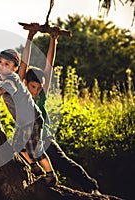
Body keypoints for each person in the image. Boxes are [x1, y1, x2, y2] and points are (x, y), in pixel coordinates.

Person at [18, 23, 101, 195]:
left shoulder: (40, 95)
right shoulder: (21, 93)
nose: (36, 92)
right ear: (25, 84)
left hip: (44, 136)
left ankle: (91, 187)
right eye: (33, 87)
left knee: (63, 163)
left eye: (39, 88)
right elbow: (24, 65)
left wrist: (53, 40)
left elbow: (49, 67)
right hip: (26, 138)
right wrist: (30, 37)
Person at [0, 48, 57, 187]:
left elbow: (0, 91)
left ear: (14, 68)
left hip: (32, 120)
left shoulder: (12, 80)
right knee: (18, 146)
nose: (1, 65)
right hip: (22, 122)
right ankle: (35, 167)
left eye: (6, 64)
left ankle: (50, 174)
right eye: (0, 62)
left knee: (34, 149)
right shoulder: (1, 79)